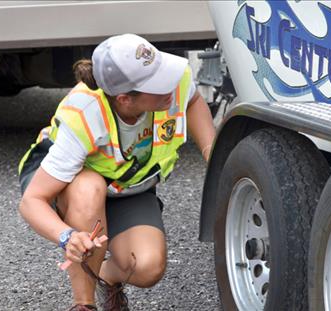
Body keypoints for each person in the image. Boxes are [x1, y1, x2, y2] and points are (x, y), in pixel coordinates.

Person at [18, 33, 216, 311]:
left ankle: (102, 275)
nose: (170, 85)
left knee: (147, 267)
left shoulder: (170, 81)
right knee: (90, 188)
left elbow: (193, 101)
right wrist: (67, 236)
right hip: (74, 183)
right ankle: (83, 304)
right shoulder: (85, 114)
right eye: (158, 84)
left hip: (128, 183)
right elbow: (31, 202)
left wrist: (213, 155)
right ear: (124, 99)